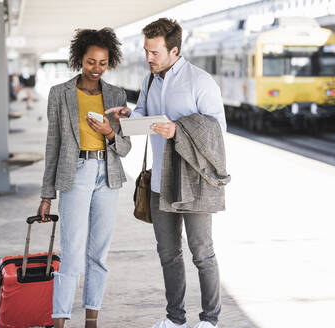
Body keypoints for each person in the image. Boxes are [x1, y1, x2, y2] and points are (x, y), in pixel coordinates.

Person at [106, 18, 227, 328]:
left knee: (202, 253)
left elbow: (217, 131)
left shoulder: (201, 82)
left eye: (154, 52)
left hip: (194, 182)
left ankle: (210, 320)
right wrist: (129, 116)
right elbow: (145, 113)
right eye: (146, 51)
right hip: (160, 181)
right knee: (168, 253)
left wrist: (179, 131)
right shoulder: (150, 80)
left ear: (174, 50)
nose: (148, 58)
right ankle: (175, 319)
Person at [38, 28, 131, 328]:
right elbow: (53, 145)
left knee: (98, 254)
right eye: (91, 62)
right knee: (72, 253)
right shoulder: (60, 94)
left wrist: (110, 132)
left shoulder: (116, 95)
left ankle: (92, 320)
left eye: (103, 63)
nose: (96, 68)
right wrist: (46, 195)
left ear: (110, 62)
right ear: (80, 59)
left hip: (108, 175)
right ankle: (60, 321)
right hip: (75, 174)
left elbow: (125, 148)